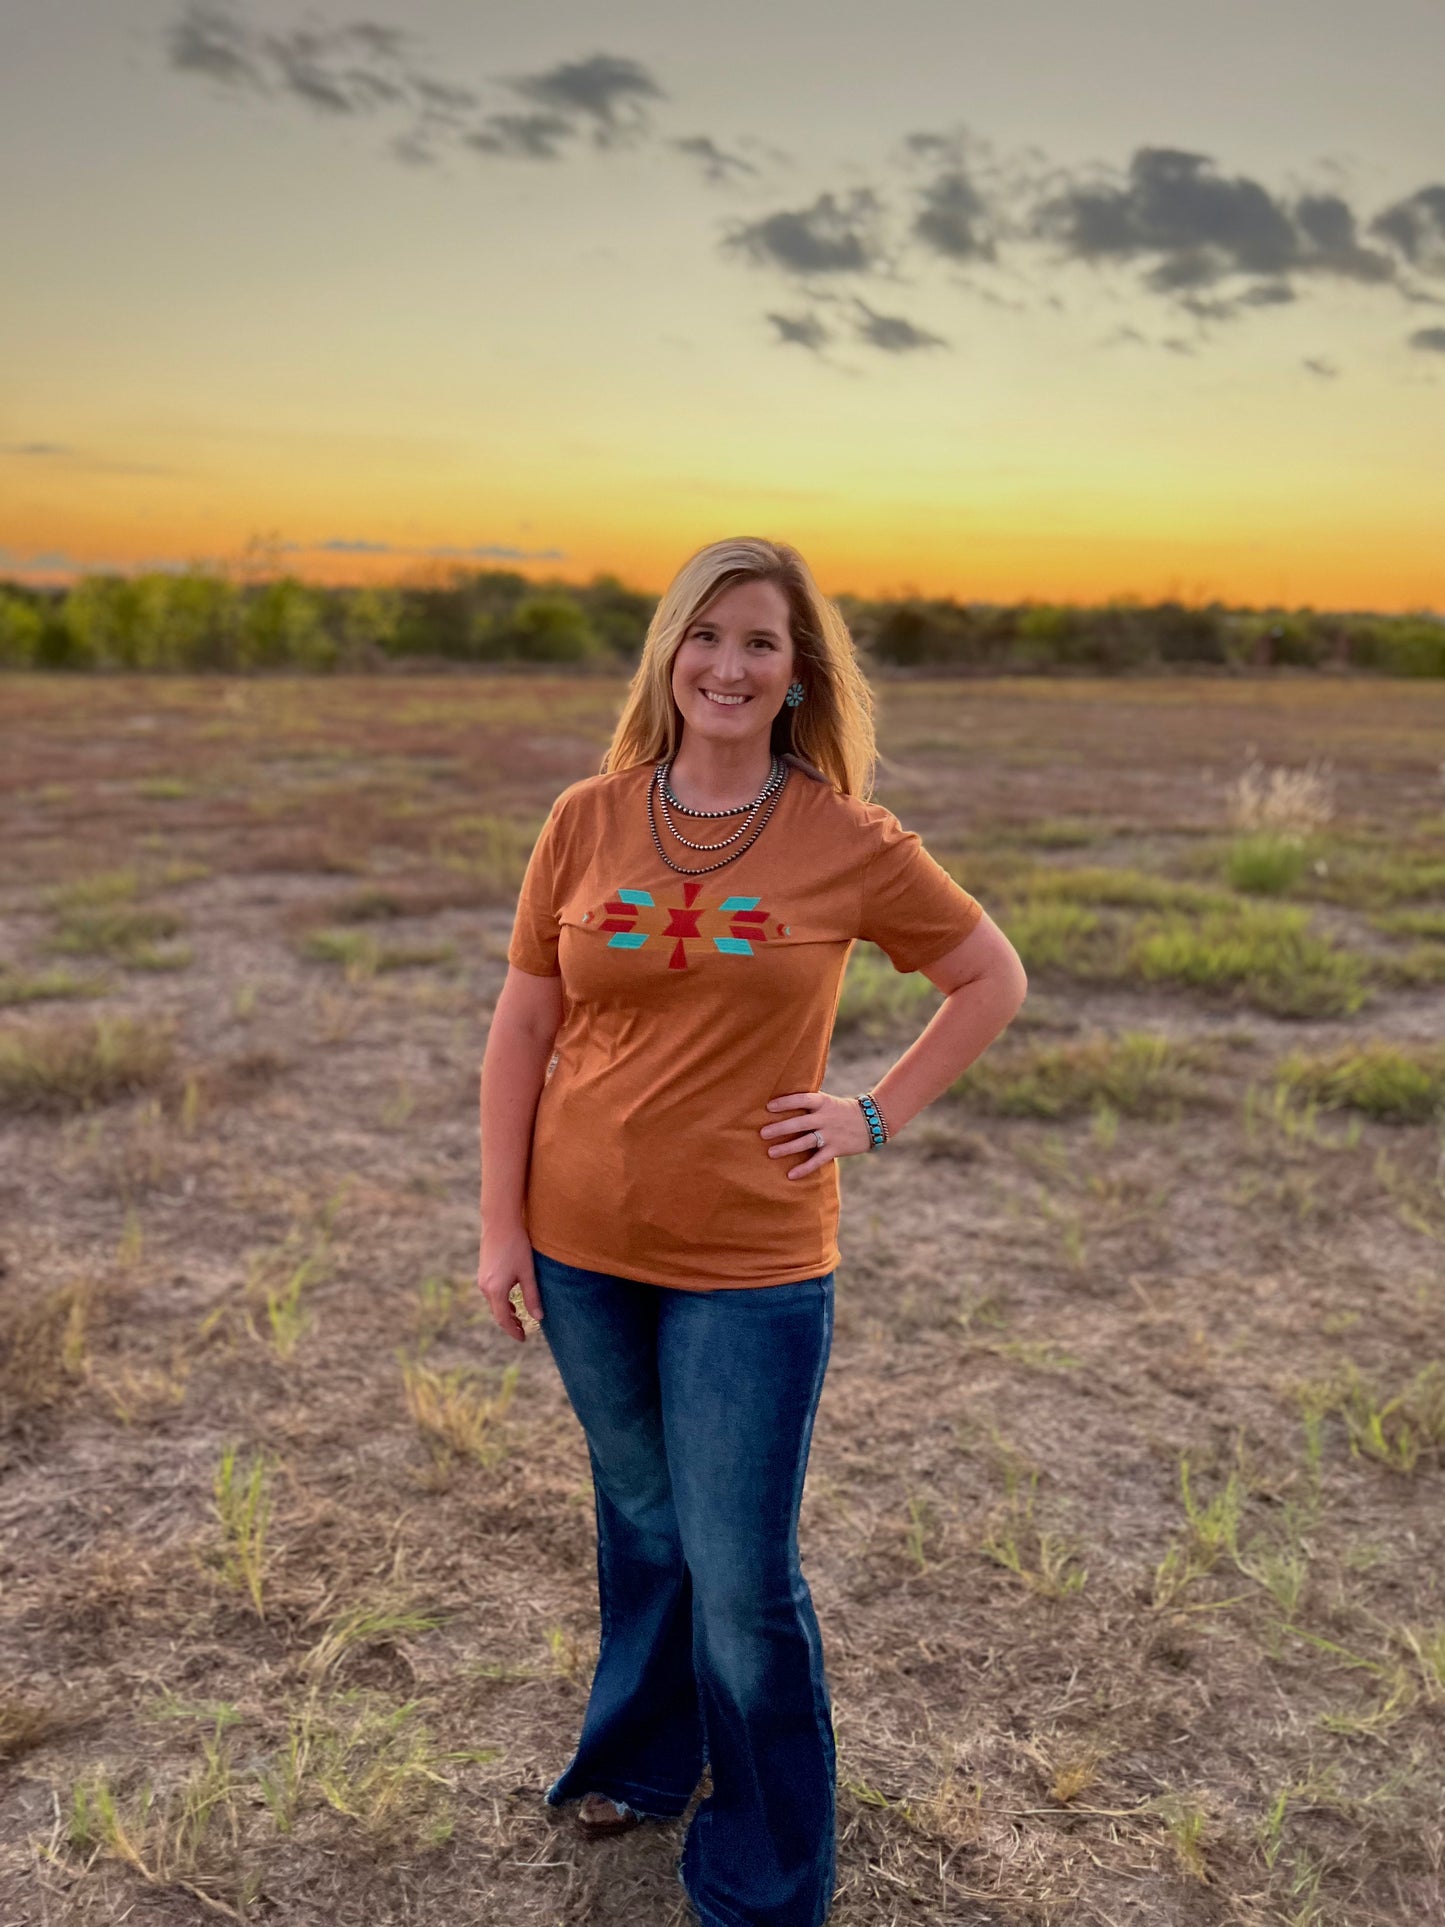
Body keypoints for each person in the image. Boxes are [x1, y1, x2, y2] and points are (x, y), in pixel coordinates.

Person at [478, 536, 1027, 1927]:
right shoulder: (586, 816)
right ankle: (645, 1764)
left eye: (761, 644)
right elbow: (525, 1024)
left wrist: (874, 1112)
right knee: (642, 1516)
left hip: (750, 1263)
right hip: (578, 1240)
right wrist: (499, 1227)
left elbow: (984, 974)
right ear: (669, 653)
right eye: (705, 636)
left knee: (740, 1573)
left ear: (797, 677)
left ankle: (770, 1872)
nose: (728, 665)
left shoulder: (846, 840)